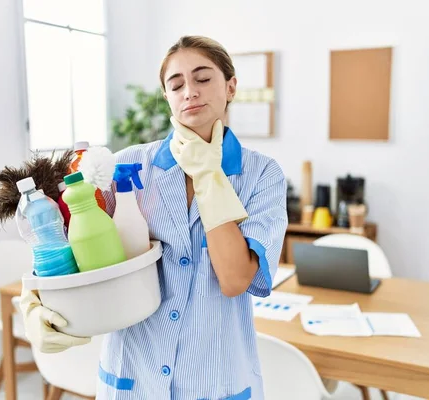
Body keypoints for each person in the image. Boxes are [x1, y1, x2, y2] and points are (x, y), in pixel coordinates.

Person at [20, 35, 288, 400]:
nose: (189, 91)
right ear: (167, 97)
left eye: (203, 78)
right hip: (133, 375)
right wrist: (31, 302)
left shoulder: (261, 174)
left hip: (216, 379)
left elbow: (234, 279)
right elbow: (65, 241)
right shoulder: (128, 164)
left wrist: (209, 176)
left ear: (231, 86)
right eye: (176, 85)